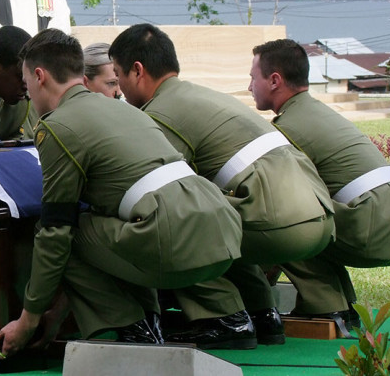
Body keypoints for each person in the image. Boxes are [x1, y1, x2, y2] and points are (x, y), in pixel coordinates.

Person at [0, 29, 243, 356]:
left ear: (39, 76)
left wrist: (29, 319)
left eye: (26, 84)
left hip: (174, 239)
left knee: (63, 234)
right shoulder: (124, 109)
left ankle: (133, 329)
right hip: (222, 232)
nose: (28, 96)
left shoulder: (58, 125)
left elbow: (56, 233)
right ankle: (149, 324)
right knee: (113, 223)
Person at [108, 24, 336, 349]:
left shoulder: (159, 113)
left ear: (137, 71)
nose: (119, 91)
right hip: (318, 216)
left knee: (178, 221)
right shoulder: (199, 95)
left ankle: (223, 318)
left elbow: (159, 191)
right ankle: (261, 312)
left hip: (282, 222)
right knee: (218, 215)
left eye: (118, 77)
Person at [249, 39, 390, 329]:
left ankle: (326, 308)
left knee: (283, 224)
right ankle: (341, 305)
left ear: (275, 80)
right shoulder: (313, 111)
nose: (249, 86)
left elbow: (274, 203)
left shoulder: (287, 129)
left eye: (253, 78)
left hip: (372, 226)